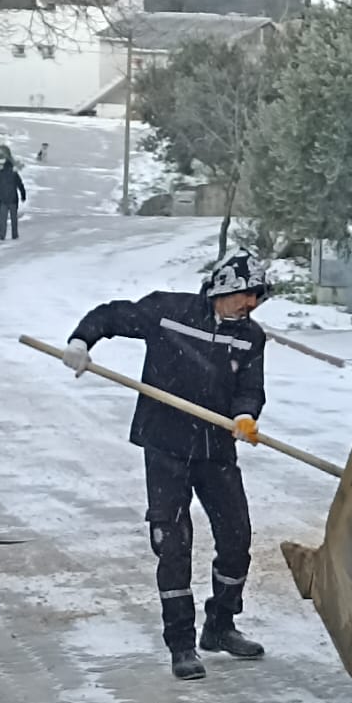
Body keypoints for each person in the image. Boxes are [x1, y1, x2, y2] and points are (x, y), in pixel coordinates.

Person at [62, 254, 271, 680]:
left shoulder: (251, 338)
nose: (251, 304)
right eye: (246, 295)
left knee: (236, 538)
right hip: (166, 446)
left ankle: (221, 625)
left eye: (257, 297)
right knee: (173, 543)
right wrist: (82, 341)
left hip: (216, 451)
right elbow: (111, 316)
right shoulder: (169, 312)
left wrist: (246, 415)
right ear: (222, 289)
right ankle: (181, 644)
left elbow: (250, 388)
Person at [0, 157, 27, 241]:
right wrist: (23, 196)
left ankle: (2, 235)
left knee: (3, 220)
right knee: (14, 219)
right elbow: (20, 186)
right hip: (13, 200)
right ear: (11, 167)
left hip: (2, 200)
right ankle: (14, 235)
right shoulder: (14, 175)